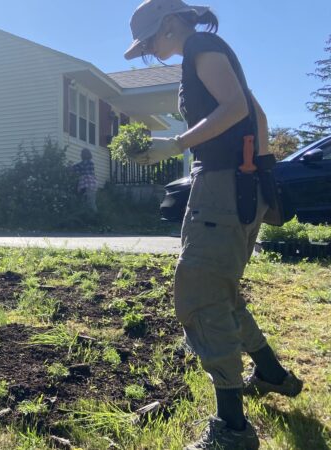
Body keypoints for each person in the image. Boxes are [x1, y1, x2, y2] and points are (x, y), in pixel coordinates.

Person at [123, 1, 302, 449]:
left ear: (169, 25)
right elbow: (256, 116)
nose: (149, 53)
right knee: (221, 289)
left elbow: (235, 106)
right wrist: (260, 177)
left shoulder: (201, 46)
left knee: (200, 295)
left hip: (223, 188)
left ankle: (232, 430)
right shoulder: (213, 50)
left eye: (148, 44)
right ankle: (271, 373)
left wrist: (175, 145)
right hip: (240, 185)